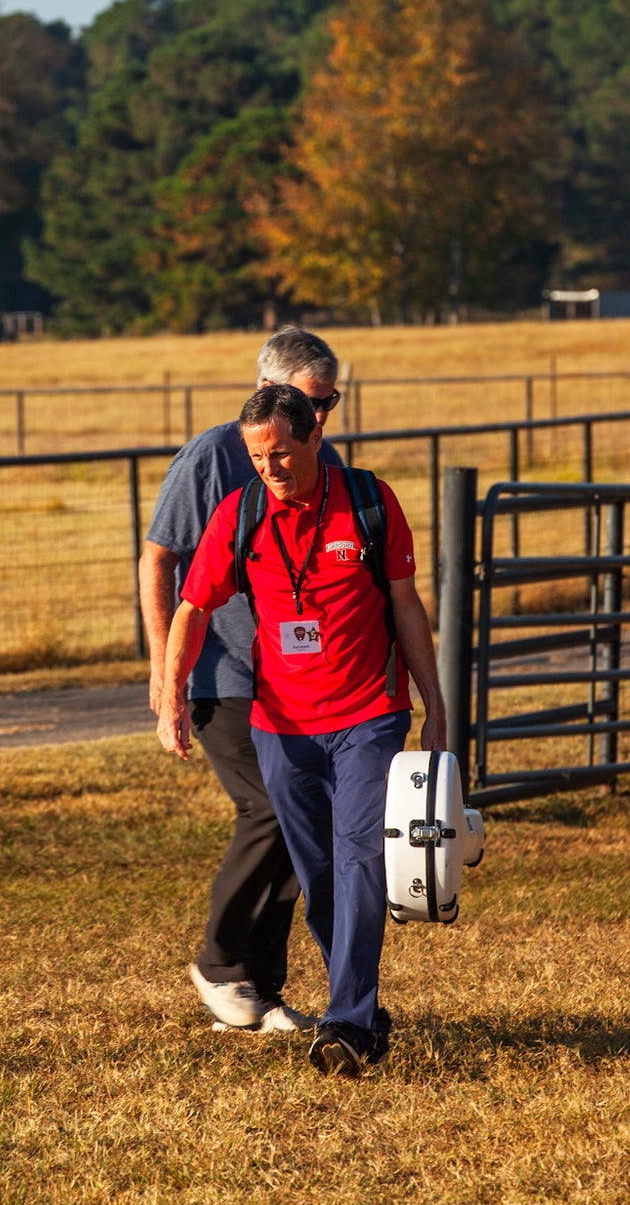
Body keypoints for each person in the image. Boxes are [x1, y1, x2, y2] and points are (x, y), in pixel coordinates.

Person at [156, 383, 445, 1077]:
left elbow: (406, 607)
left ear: (315, 433)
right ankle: (364, 1010)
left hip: (368, 715)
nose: (269, 468)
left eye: (280, 453)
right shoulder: (242, 512)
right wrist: (169, 695)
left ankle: (346, 1019)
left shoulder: (371, 502)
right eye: (257, 456)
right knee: (318, 875)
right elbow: (193, 605)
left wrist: (434, 704)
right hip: (280, 725)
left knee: (356, 858)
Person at [139, 327, 345, 1035]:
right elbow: (158, 559)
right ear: (268, 389)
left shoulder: (322, 456)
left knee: (302, 813)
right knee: (267, 807)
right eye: (313, 399)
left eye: (330, 402)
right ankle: (218, 960)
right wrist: (165, 674)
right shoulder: (211, 456)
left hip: (297, 677)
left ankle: (259, 988)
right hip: (219, 672)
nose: (322, 416)